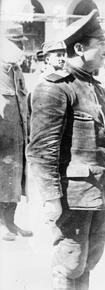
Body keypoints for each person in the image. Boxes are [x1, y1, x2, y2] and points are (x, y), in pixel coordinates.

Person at [27, 10, 105, 290]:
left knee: (88, 260)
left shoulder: (92, 85)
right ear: (79, 48)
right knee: (69, 264)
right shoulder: (55, 88)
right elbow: (42, 150)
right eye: (100, 42)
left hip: (97, 193)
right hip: (73, 197)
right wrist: (51, 198)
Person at [0, 23, 33, 241]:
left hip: (18, 137)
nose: (20, 47)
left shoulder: (17, 70)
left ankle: (10, 222)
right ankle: (4, 225)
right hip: (2, 140)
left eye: (20, 42)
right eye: (15, 43)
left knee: (14, 183)